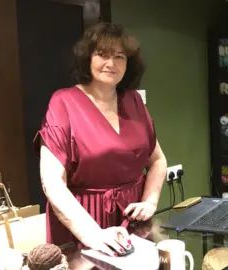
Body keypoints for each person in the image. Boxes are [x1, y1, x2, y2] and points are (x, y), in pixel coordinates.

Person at [34, 22, 167, 257]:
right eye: (102, 54)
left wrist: (150, 202)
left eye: (119, 56)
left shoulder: (134, 101)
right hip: (82, 224)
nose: (111, 63)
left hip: (133, 224)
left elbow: (157, 161)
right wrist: (92, 234)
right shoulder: (63, 102)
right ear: (88, 58)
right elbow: (52, 183)